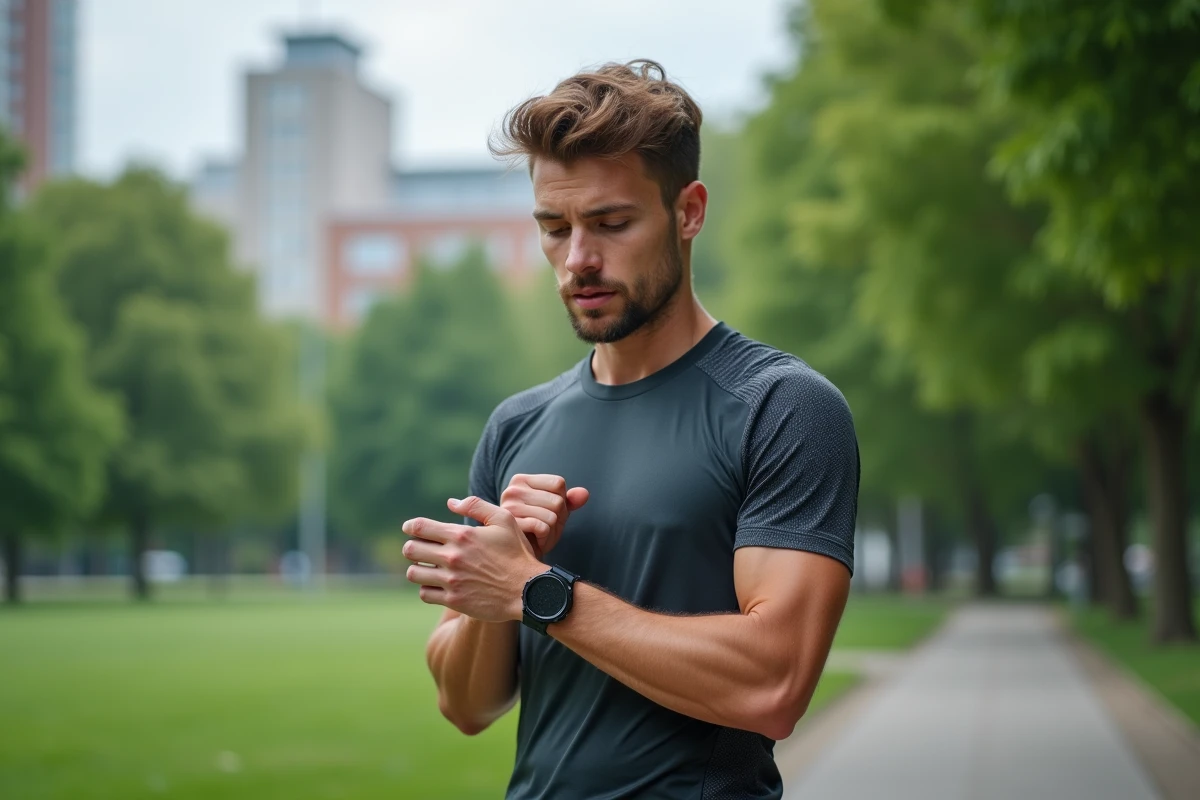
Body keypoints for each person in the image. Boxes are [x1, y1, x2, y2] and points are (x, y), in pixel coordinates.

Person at [402, 59, 859, 799]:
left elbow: (774, 683)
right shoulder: (517, 425)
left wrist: (540, 590)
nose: (578, 259)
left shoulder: (782, 407)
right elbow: (465, 705)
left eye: (612, 224)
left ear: (689, 212)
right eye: (555, 229)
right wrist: (504, 583)